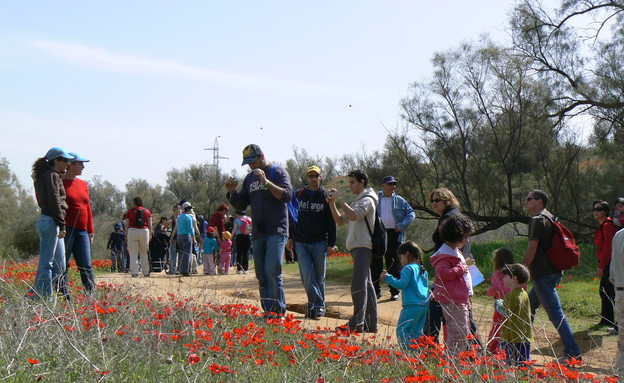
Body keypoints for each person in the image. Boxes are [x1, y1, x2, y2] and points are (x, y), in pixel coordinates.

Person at [226, 144, 293, 319]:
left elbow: (287, 195)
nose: (251, 166)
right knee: (261, 274)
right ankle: (268, 311)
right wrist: (232, 193)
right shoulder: (249, 178)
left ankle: (279, 312)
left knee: (272, 270)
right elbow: (241, 204)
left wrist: (266, 182)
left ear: (262, 156)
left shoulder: (277, 172)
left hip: (276, 229)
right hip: (258, 232)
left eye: (253, 161)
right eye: (248, 163)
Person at [522, 189, 582, 363]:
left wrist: (522, 270)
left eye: (529, 199)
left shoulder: (537, 220)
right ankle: (519, 345)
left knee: (556, 314)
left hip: (542, 273)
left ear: (539, 201)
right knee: (528, 308)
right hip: (554, 272)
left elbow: (532, 248)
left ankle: (573, 353)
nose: (526, 202)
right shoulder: (550, 218)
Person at [328, 169, 378, 333]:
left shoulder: (367, 200)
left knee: (358, 286)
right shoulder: (359, 200)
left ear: (362, 182)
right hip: (359, 247)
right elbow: (341, 221)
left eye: (352, 182)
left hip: (363, 247)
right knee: (367, 286)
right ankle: (371, 324)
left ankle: (356, 324)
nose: (350, 185)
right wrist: (332, 204)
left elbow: (354, 215)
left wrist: (340, 198)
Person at [425, 188, 477, 343]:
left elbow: (457, 244)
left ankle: (429, 344)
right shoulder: (456, 215)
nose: (434, 203)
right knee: (461, 311)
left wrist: (460, 265)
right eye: (432, 200)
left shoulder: (449, 218)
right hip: (460, 265)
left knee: (444, 307)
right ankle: (474, 348)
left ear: (447, 201)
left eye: (437, 200)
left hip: (454, 267)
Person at [287, 165, 337, 319]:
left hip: (319, 242)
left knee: (319, 276)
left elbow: (331, 221)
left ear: (320, 177)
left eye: (316, 175)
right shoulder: (299, 195)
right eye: (310, 176)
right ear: (307, 178)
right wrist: (290, 237)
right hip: (301, 241)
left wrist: (331, 243)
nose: (313, 178)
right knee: (307, 276)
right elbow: (291, 218)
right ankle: (319, 305)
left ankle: (314, 307)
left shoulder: (325, 196)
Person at [29, 147, 72, 299]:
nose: (68, 163)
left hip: (51, 221)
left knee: (59, 265)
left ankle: (33, 295)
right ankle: (45, 300)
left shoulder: (51, 175)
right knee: (46, 264)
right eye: (65, 160)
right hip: (50, 221)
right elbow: (54, 201)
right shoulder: (51, 176)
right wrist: (62, 224)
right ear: (56, 161)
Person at [430, 214, 474, 355]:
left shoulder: (454, 252)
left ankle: (455, 359)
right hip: (452, 298)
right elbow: (443, 273)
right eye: (465, 237)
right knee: (458, 332)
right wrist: (463, 267)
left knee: (462, 330)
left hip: (459, 297)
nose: (467, 241)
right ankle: (451, 360)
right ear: (456, 235)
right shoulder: (444, 255)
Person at [373, 175, 415, 301]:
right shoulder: (376, 199)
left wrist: (401, 225)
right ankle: (376, 291)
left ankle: (394, 291)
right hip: (378, 233)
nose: (393, 186)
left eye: (394, 184)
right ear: (383, 185)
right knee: (376, 262)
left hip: (394, 234)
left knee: (393, 262)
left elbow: (411, 213)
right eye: (390, 184)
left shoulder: (400, 200)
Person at [60, 152, 95, 299]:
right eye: (80, 163)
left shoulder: (83, 184)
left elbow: (87, 208)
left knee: (86, 265)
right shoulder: (60, 182)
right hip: (66, 230)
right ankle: (64, 296)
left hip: (83, 232)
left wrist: (90, 231)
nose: (83, 167)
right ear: (70, 165)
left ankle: (91, 296)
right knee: (63, 265)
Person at [381, 241, 428, 350]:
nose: (401, 261)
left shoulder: (408, 268)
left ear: (407, 254)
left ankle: (407, 352)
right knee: (417, 331)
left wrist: (387, 277)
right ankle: (418, 352)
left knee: (402, 329)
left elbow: (402, 284)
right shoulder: (422, 269)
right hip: (424, 304)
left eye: (401, 257)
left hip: (411, 304)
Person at [493, 263, 532, 366]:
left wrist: (498, 304)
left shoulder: (511, 296)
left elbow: (506, 313)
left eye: (506, 276)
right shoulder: (524, 293)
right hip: (524, 334)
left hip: (511, 336)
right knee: (523, 363)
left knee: (506, 362)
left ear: (514, 278)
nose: (503, 279)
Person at [592, 200, 618, 330]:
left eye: (599, 209)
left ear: (606, 211)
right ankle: (607, 320)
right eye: (594, 209)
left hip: (611, 264)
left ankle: (619, 325)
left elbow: (609, 249)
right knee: (604, 291)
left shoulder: (608, 226)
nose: (595, 211)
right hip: (607, 263)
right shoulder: (602, 226)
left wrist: (602, 266)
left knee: (614, 294)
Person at [486, 248, 516, 353]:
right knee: (512, 327)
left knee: (497, 327)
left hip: (501, 304)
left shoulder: (497, 274)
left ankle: (493, 348)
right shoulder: (516, 273)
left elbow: (495, 289)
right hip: (514, 303)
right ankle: (510, 349)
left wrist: (488, 292)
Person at [124, 196, 153, 277]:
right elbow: (150, 224)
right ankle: (146, 272)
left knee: (133, 253)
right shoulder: (147, 211)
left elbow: (126, 224)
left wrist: (126, 234)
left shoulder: (130, 212)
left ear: (134, 203)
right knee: (144, 252)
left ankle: (134, 272)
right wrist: (150, 234)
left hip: (132, 231)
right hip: (144, 231)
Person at [170, 202, 201, 276]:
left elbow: (176, 228)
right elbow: (191, 229)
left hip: (179, 236)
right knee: (187, 254)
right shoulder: (189, 217)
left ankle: (180, 269)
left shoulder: (179, 217)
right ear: (189, 209)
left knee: (181, 253)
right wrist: (194, 239)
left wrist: (171, 237)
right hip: (186, 236)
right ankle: (185, 270)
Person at [609, 228, 624, 376]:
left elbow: (612, 273)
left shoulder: (618, 235)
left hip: (620, 293)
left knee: (623, 344)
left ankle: (619, 375)